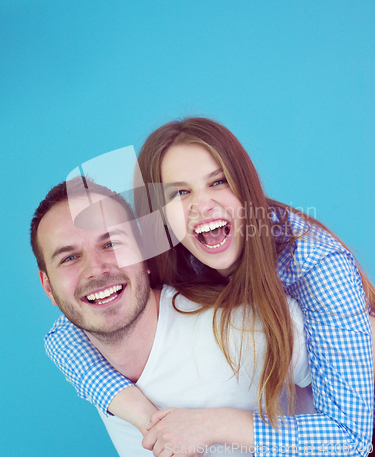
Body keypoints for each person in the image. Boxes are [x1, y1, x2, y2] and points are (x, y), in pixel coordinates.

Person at [40, 118, 374, 456]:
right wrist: (143, 416)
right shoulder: (164, 249)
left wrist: (211, 425)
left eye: (219, 182)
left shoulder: (316, 265)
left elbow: (350, 438)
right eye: (180, 192)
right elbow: (68, 333)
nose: (203, 206)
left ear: (245, 188)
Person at [32, 177, 312, 457]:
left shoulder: (250, 324)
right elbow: (60, 340)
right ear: (48, 287)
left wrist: (218, 425)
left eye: (111, 244)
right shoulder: (82, 346)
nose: (95, 269)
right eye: (68, 258)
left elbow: (350, 434)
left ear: (145, 255)